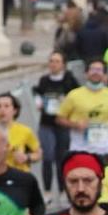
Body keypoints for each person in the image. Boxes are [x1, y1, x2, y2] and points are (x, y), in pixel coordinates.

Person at [59, 60, 108, 163]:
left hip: (106, 148)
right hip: (81, 148)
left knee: (106, 178)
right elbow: (60, 119)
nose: (96, 72)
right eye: (92, 69)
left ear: (105, 75)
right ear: (86, 73)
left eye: (99, 70)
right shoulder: (74, 95)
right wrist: (75, 124)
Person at [35, 53, 80, 196]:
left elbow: (78, 97)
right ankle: (47, 191)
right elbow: (37, 92)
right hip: (47, 123)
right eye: (51, 61)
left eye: (57, 61)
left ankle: (62, 190)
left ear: (63, 65)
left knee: (62, 157)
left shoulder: (69, 80)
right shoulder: (44, 80)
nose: (53, 64)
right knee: (47, 156)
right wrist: (38, 101)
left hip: (63, 124)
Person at [0, 93, 42, 171]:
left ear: (15, 110)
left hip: (20, 174)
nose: (2, 110)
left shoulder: (25, 131)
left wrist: (26, 157)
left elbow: (38, 154)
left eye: (6, 106)